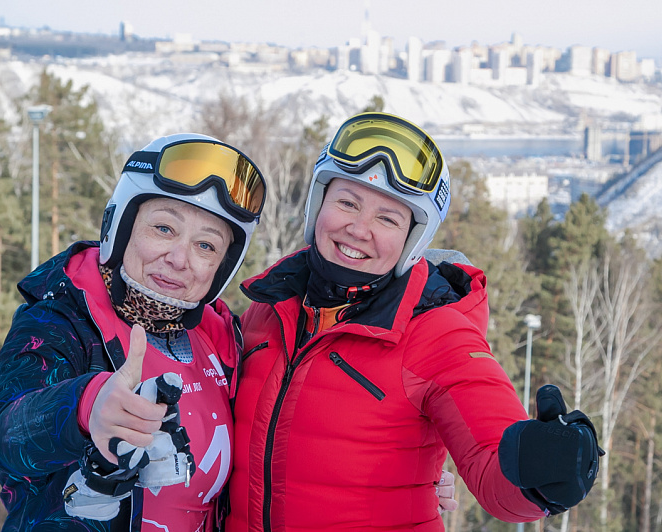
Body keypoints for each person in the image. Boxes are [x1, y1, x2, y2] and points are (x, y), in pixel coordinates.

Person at [226, 112, 603, 531]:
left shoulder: (438, 334)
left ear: (412, 240)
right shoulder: (268, 309)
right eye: (347, 203)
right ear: (318, 205)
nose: (358, 229)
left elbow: (492, 466)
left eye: (387, 218)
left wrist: (538, 477)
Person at [0, 133, 267, 532]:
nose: (179, 259)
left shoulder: (223, 342)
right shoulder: (62, 320)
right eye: (164, 228)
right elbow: (8, 436)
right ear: (122, 226)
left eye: (206, 246)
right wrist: (86, 406)